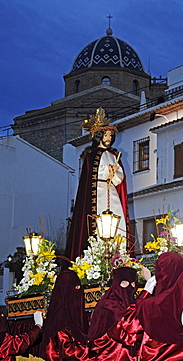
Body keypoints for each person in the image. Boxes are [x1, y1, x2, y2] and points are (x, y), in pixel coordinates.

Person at [63, 107, 131, 265]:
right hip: (96, 194)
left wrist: (115, 173)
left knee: (117, 223)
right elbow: (91, 176)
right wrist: (106, 171)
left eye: (110, 136)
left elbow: (119, 179)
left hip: (112, 193)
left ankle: (117, 258)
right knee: (98, 224)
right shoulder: (91, 155)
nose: (108, 139)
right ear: (99, 136)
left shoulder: (114, 155)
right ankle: (96, 260)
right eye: (105, 135)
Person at [86, 266, 153, 361]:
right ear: (117, 284)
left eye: (133, 284)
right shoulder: (109, 305)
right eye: (124, 283)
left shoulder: (129, 302)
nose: (130, 287)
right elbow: (129, 324)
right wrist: (147, 290)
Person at [41, 269, 89, 361]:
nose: (78, 291)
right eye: (75, 288)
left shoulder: (75, 316)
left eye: (79, 287)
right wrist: (94, 349)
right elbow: (68, 352)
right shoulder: (60, 319)